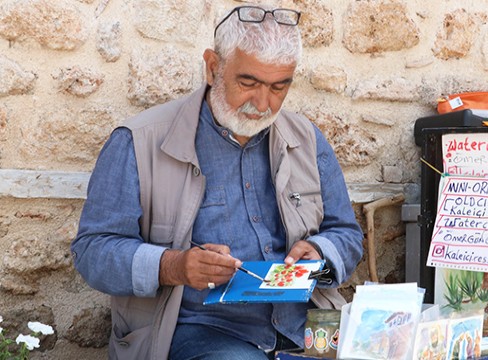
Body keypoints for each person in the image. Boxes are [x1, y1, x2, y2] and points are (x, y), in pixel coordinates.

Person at [71, 5, 364, 360]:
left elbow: (346, 233)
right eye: (248, 82)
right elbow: (93, 252)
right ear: (213, 68)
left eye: (278, 86)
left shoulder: (306, 138)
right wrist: (174, 265)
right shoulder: (138, 141)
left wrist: (320, 252)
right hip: (199, 331)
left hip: (304, 329)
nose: (262, 103)